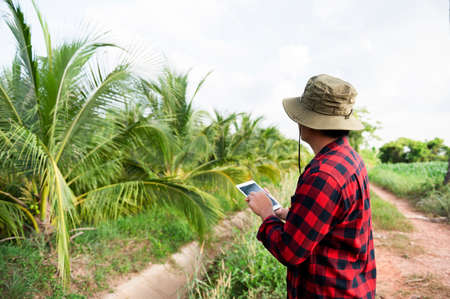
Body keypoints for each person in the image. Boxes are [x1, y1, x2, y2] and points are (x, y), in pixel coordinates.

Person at [246, 74, 376, 298]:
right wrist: (285, 214)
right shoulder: (349, 158)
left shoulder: (323, 174)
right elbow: (331, 223)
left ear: (308, 120)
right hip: (352, 285)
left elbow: (290, 252)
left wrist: (266, 213)